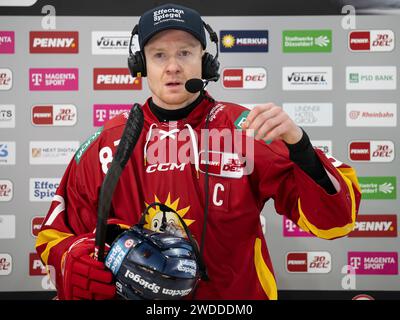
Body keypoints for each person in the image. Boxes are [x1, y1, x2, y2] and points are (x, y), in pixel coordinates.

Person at [36, 3, 361, 300]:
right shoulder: (105, 143)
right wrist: (72, 259)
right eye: (159, 55)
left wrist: (300, 146)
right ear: (141, 64)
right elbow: (55, 235)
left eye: (186, 53)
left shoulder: (246, 130)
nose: (173, 67)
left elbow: (337, 221)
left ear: (206, 61)